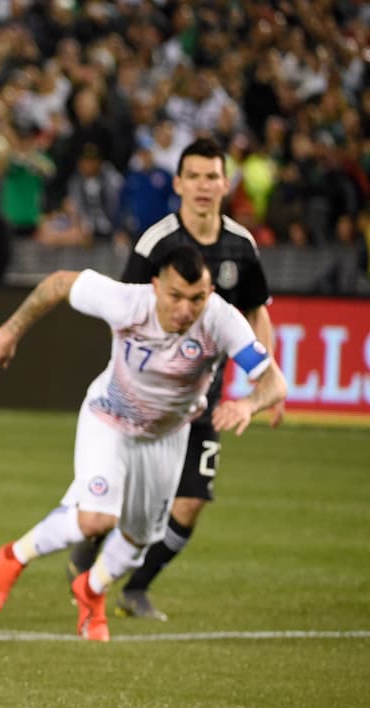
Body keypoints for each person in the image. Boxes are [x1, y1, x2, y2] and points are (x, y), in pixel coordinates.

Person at [0, 245, 286, 641]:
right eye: (175, 296)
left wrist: (249, 404)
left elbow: (275, 382)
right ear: (156, 286)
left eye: (197, 298)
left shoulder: (220, 319)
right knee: (96, 519)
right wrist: (9, 331)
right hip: (110, 418)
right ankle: (12, 557)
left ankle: (90, 590)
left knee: (138, 541)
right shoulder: (127, 302)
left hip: (167, 435)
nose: (185, 310)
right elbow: (57, 284)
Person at [65, 137, 280, 621]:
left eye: (213, 177)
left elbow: (255, 314)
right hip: (142, 399)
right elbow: (128, 310)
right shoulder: (156, 242)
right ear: (179, 183)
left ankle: (135, 589)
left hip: (204, 399)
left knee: (190, 504)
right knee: (119, 501)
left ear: (226, 183)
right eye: (195, 177)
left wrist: (266, 384)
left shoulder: (241, 246)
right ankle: (87, 544)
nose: (204, 186)